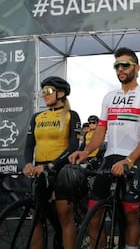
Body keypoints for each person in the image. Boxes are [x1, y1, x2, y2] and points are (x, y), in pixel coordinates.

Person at [68, 47, 140, 249]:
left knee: (130, 214)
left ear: (136, 67)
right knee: (93, 213)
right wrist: (86, 151)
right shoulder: (109, 97)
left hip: (131, 158)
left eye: (125, 65)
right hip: (109, 157)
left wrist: (130, 160)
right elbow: (100, 130)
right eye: (116, 66)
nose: (120, 69)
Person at [22, 76, 81, 249]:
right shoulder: (37, 117)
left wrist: (51, 166)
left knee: (65, 216)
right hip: (40, 169)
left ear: (61, 93)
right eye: (43, 92)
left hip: (61, 170)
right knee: (37, 218)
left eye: (48, 91)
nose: (44, 95)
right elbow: (28, 145)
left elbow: (74, 146)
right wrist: (27, 164)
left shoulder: (71, 115)